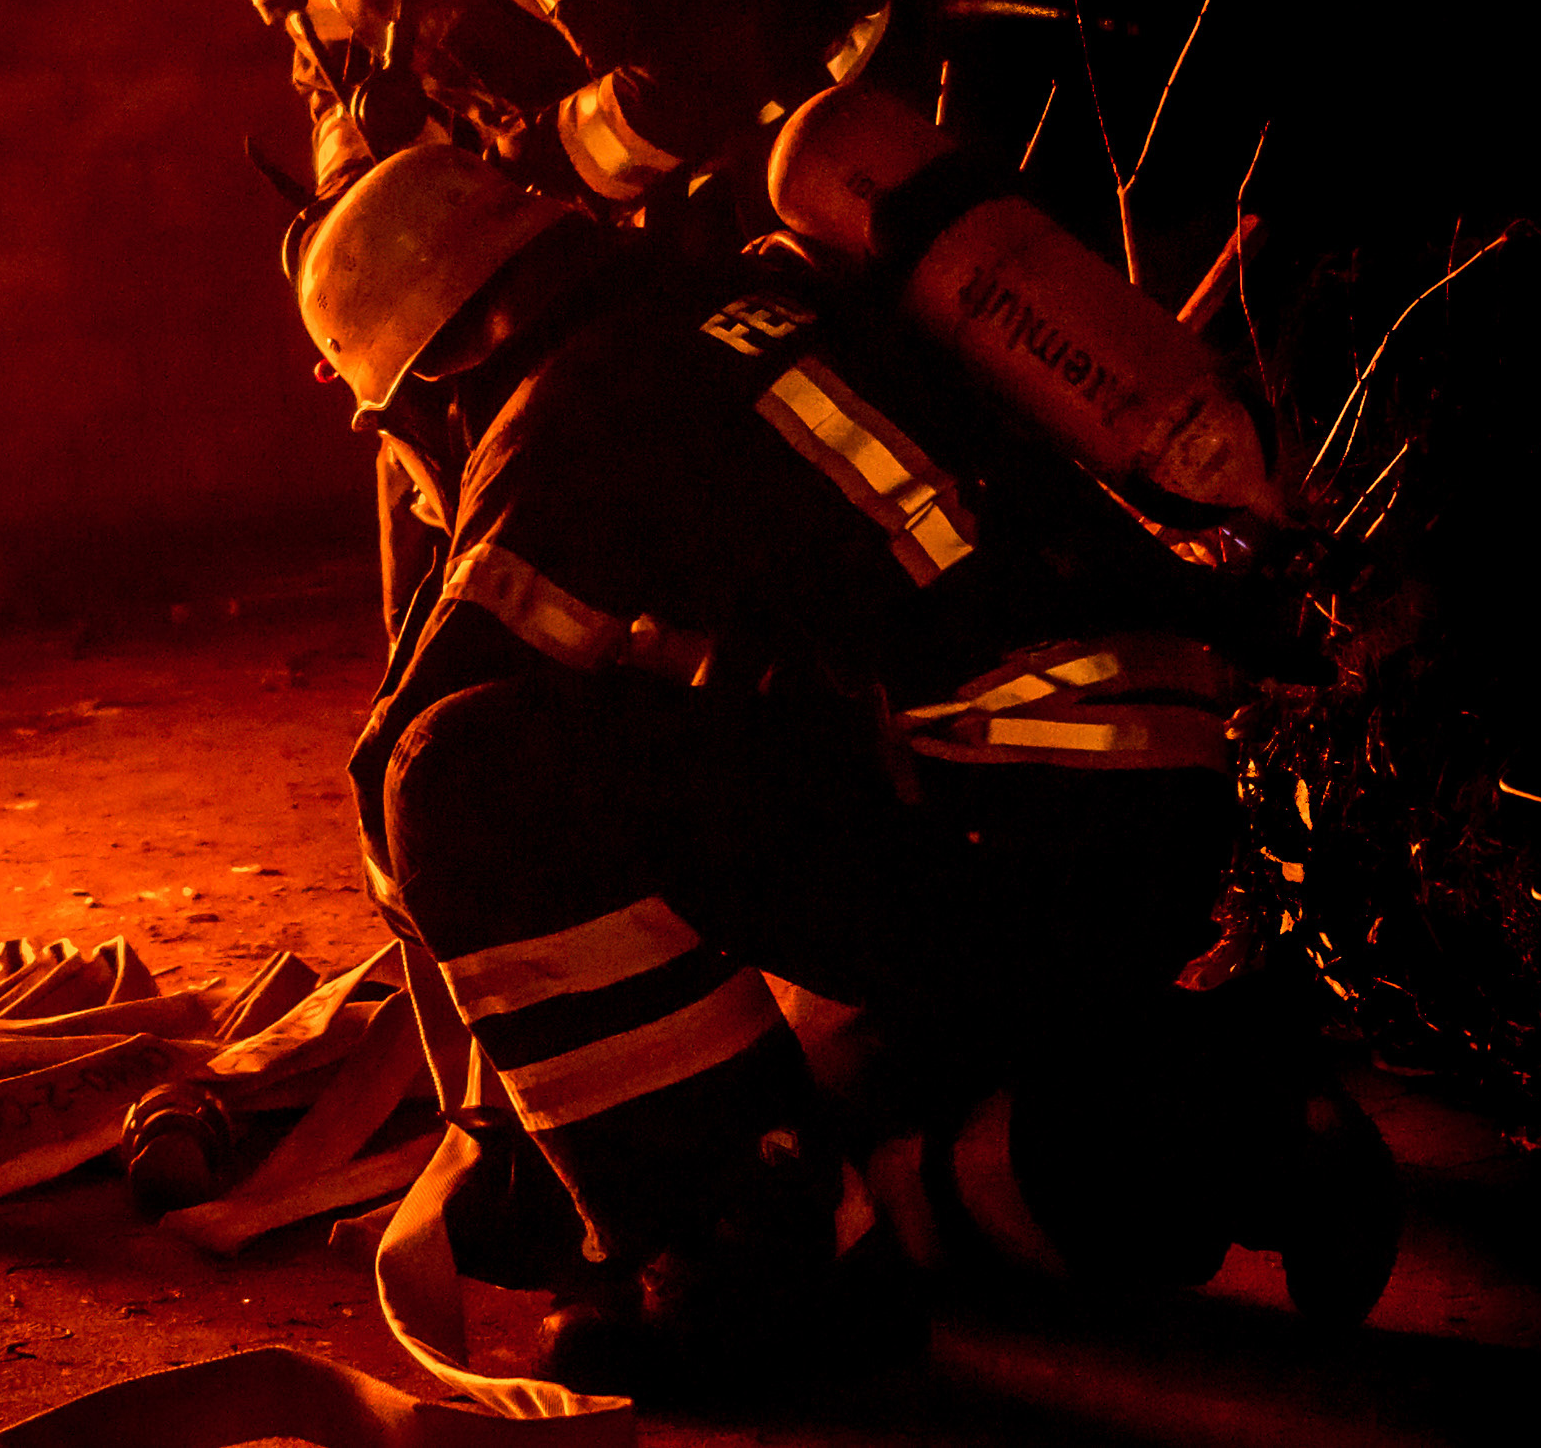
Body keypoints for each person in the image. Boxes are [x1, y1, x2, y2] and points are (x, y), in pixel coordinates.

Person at [294, 143, 1394, 1396]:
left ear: (440, 360)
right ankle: (1230, 1122)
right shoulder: (754, 299)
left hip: (1005, 837)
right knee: (862, 1136)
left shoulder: (567, 412)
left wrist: (522, 1136)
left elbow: (417, 756)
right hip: (1129, 821)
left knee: (464, 777)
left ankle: (764, 1289)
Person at [64, 0, 892, 631]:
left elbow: (700, 65)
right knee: (420, 435)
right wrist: (354, 236)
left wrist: (500, 196)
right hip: (575, 252)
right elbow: (343, 90)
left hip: (755, 198)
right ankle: (436, 723)